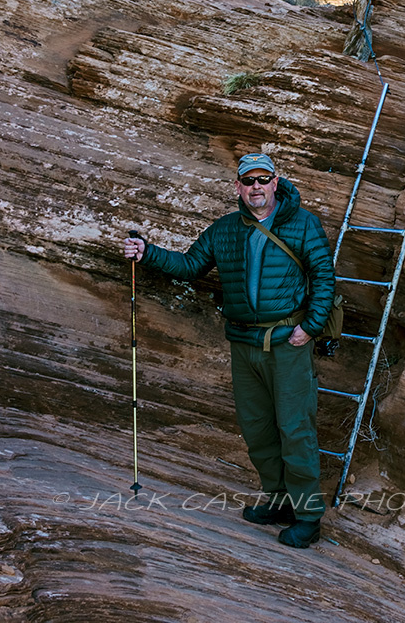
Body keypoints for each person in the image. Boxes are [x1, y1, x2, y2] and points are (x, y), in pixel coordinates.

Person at [123, 153, 335, 549]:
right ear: (237, 187)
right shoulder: (224, 230)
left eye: (263, 178)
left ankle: (308, 516)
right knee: (257, 430)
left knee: (295, 430)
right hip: (244, 344)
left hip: (287, 342)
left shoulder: (303, 224)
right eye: (248, 180)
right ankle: (279, 501)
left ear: (275, 182)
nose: (256, 186)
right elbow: (189, 266)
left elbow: (325, 276)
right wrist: (146, 252)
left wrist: (310, 327)